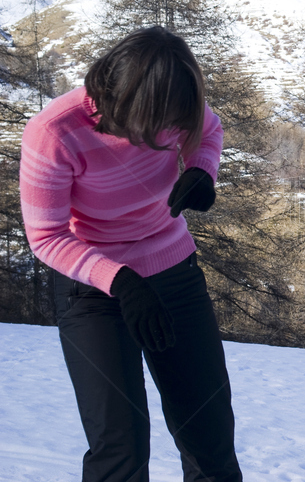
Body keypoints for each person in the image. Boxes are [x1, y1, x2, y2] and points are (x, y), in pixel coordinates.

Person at [19, 26, 243, 482]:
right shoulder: (55, 132)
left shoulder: (173, 101)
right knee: (121, 446)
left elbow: (209, 130)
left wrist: (202, 169)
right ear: (129, 105)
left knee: (209, 434)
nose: (170, 134)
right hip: (93, 289)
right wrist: (120, 280)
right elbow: (46, 237)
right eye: (161, 126)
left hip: (173, 271)